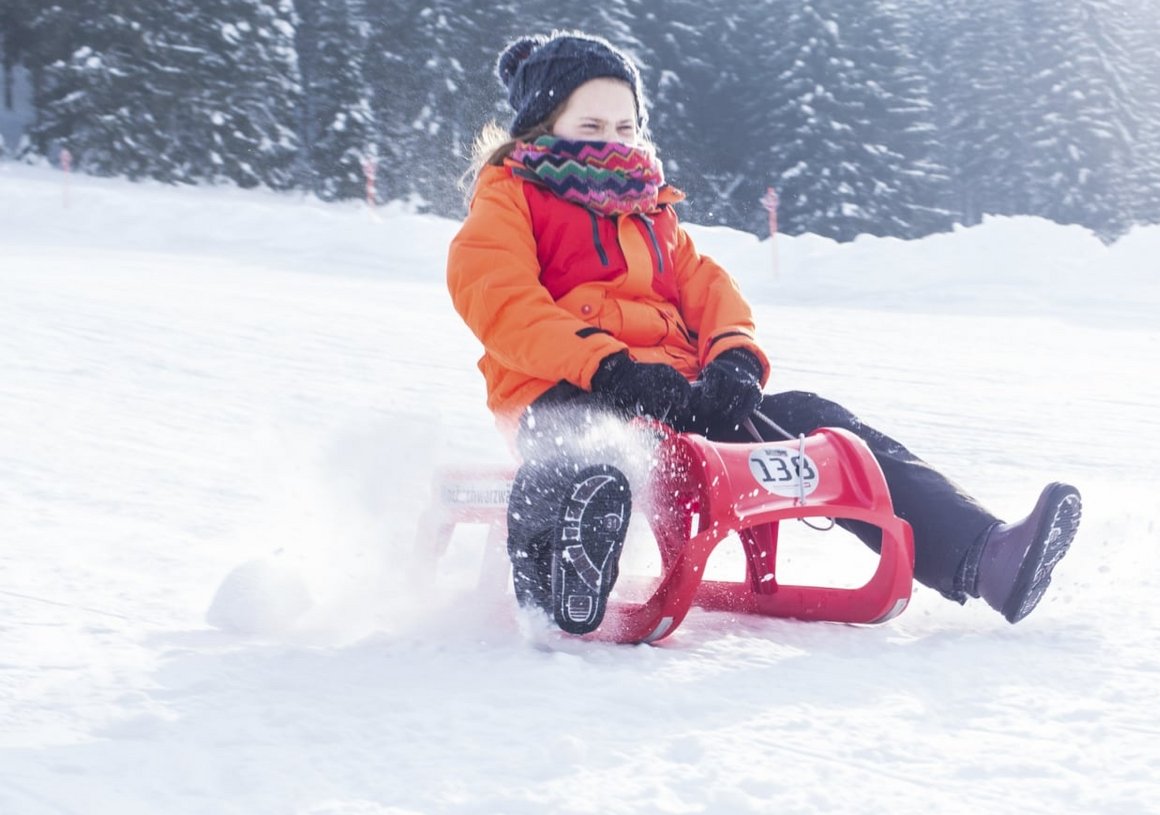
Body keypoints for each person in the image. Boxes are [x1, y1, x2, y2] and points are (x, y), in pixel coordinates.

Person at [446, 30, 1080, 636]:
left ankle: (983, 555)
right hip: (565, 391)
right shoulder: (510, 198)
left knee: (818, 425)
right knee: (592, 450)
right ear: (540, 127)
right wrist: (610, 368)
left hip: (677, 395)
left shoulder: (651, 210)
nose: (611, 140)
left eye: (624, 126)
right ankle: (559, 576)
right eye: (590, 126)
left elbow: (710, 289)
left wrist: (734, 361)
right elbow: (501, 300)